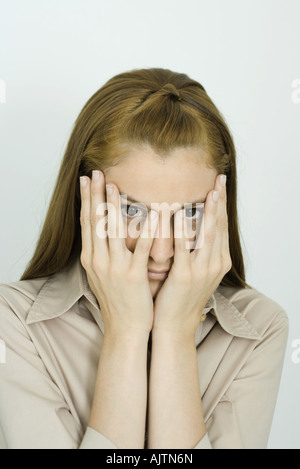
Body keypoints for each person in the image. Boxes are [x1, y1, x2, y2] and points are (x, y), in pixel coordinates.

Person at [0, 68, 288, 449]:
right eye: (133, 210)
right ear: (85, 202)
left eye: (190, 212)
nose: (162, 250)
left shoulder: (260, 328)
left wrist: (174, 333)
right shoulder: (14, 324)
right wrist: (127, 333)